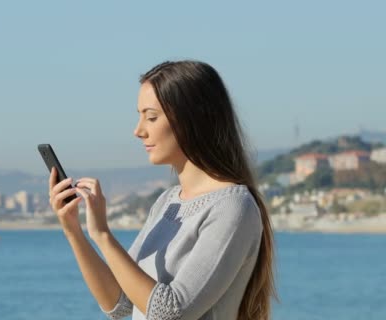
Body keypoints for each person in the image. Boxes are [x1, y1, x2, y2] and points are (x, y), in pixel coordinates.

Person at [48, 60, 277, 320]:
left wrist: (103, 235)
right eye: (140, 115)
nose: (138, 131)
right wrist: (74, 231)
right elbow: (119, 302)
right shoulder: (167, 203)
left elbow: (170, 313)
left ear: (193, 119)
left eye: (152, 117)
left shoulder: (232, 207)